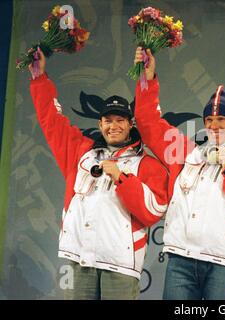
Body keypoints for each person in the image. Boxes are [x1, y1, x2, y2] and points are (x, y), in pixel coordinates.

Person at [28, 48, 169, 300]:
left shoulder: (147, 165)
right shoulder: (81, 152)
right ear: (99, 124)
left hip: (120, 264)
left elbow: (153, 211)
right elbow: (51, 120)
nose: (113, 126)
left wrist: (121, 178)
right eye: (107, 120)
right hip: (79, 258)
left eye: (120, 120)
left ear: (130, 125)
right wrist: (39, 79)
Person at [132, 47, 225, 300]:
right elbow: (147, 122)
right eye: (209, 120)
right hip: (180, 259)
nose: (214, 126)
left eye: (222, 120)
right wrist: (147, 79)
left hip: (223, 262)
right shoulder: (184, 151)